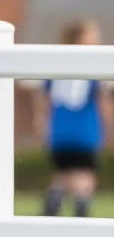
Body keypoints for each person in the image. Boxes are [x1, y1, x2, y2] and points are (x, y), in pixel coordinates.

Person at [37, 20, 110, 218]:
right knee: (84, 175)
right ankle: (81, 212)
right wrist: (108, 126)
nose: (98, 40)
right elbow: (103, 103)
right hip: (85, 131)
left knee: (62, 174)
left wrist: (44, 128)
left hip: (59, 132)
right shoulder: (95, 69)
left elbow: (45, 104)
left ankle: (53, 204)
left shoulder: (55, 69)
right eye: (94, 36)